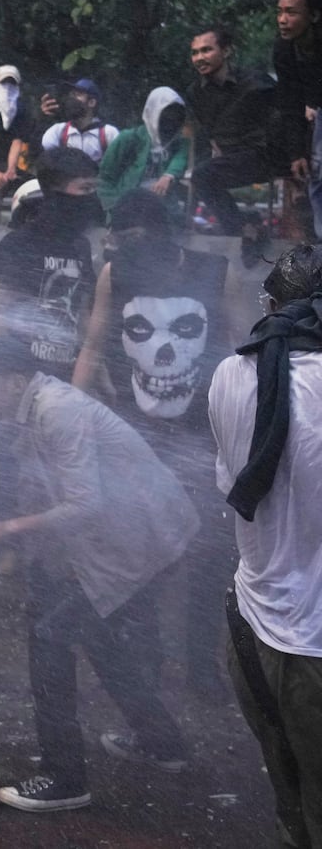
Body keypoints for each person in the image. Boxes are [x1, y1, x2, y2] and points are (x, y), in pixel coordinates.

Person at [0, 338, 199, 813]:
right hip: (130, 535)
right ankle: (164, 744)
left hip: (142, 538)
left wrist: (8, 529)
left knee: (50, 637)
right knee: (98, 637)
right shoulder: (33, 409)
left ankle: (64, 777)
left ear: (14, 381)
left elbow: (83, 503)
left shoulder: (55, 410)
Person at [72, 188, 236, 696]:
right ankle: (149, 656)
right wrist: (67, 425)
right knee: (143, 549)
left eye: (125, 238)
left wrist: (240, 428)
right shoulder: (116, 274)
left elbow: (234, 351)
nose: (122, 247)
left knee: (205, 553)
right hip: (137, 439)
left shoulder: (213, 271)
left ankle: (196, 666)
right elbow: (93, 350)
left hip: (195, 438)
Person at [208, 243, 322, 848]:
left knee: (291, 807)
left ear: (272, 306)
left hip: (251, 636)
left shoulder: (232, 374)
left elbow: (236, 485)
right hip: (316, 651)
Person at [0, 147, 102, 381]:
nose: (91, 197)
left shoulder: (80, 247)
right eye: (85, 188)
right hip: (20, 380)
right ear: (56, 191)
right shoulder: (17, 245)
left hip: (66, 381)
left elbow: (84, 316)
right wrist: (15, 378)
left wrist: (96, 375)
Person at [183, 24, 285, 261]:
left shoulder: (255, 82)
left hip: (265, 154)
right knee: (201, 176)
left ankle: (247, 230)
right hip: (231, 158)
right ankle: (246, 231)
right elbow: (208, 128)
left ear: (227, 51)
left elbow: (287, 113)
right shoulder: (195, 92)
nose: (199, 58)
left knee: (202, 175)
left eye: (206, 50)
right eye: (195, 52)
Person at [274, 0, 322, 240]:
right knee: (317, 174)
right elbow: (289, 101)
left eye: (291, 12)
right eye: (280, 12)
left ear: (313, 16)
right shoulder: (284, 49)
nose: (283, 19)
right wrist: (296, 153)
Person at [97, 87, 190, 214]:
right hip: (127, 208)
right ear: (154, 113)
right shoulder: (129, 138)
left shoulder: (178, 143)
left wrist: (168, 176)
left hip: (164, 210)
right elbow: (105, 177)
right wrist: (113, 208)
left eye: (176, 115)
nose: (171, 120)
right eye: (166, 114)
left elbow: (180, 159)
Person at [38, 78, 119, 163]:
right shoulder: (57, 132)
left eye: (78, 94)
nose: (72, 99)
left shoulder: (108, 133)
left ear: (91, 102)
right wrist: (44, 119)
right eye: (72, 94)